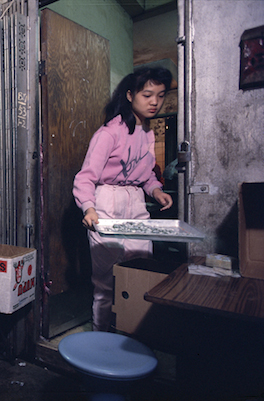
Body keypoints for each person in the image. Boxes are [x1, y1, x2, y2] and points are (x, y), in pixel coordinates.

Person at [72, 67, 174, 332]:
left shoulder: (149, 133)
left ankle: (135, 333)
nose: (154, 102)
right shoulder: (108, 133)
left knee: (141, 272)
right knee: (106, 280)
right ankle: (101, 336)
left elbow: (146, 174)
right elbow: (85, 178)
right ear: (130, 95)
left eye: (160, 95)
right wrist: (89, 208)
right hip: (106, 202)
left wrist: (155, 190)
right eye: (147, 94)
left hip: (136, 203)